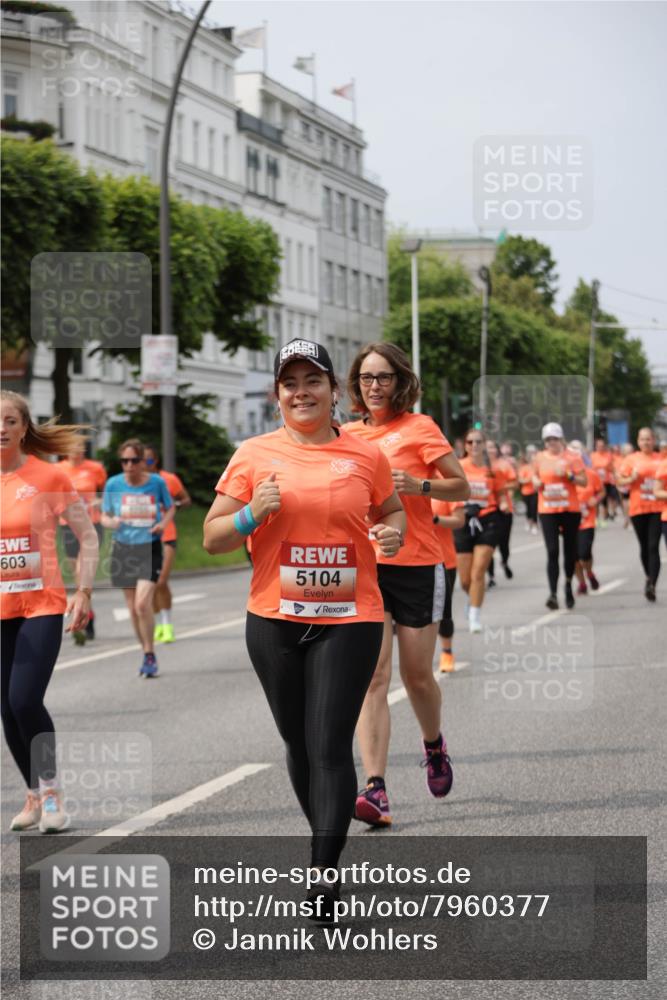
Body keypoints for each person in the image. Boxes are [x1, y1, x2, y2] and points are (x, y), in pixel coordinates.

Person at [204, 338, 406, 913]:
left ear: (333, 392)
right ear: (276, 396)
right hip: (273, 619)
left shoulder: (365, 456)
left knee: (328, 743)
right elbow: (213, 537)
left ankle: (323, 868)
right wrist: (251, 512)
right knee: (297, 741)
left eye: (312, 380)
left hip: (351, 617)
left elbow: (389, 509)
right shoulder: (252, 455)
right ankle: (326, 828)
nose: (302, 392)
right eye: (290, 383)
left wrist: (390, 532)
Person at [342, 342, 469, 828]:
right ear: (356, 385)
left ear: (401, 382)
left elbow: (462, 486)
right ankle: (376, 789)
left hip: (418, 564)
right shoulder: (346, 435)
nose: (375, 386)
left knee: (416, 676)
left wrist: (420, 487)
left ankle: (434, 745)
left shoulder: (421, 428)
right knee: (373, 677)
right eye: (367, 378)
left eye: (384, 377)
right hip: (366, 567)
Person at [1, 391, 99, 833]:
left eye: (9, 420)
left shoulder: (49, 476)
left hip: (42, 603)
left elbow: (87, 535)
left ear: (24, 428)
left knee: (24, 699)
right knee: (6, 707)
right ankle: (33, 795)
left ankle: (53, 792)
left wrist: (83, 591)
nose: (0, 428)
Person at [101, 439, 174, 676]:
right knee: (133, 609)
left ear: (143, 461)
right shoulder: (113, 484)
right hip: (123, 548)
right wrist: (111, 522)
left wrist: (162, 524)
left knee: (143, 604)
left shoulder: (156, 483)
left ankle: (151, 652)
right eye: (124, 461)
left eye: (134, 460)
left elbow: (170, 507)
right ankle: (145, 652)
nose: (129, 465)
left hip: (149, 548)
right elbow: (104, 515)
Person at [454, 430, 509, 632]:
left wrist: (503, 504)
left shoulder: (493, 469)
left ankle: (475, 616)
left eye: (478, 442)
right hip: (464, 520)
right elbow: (449, 489)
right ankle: (472, 600)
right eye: (470, 442)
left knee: (478, 572)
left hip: (488, 519)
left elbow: (501, 494)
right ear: (465, 445)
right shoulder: (458, 467)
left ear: (484, 445)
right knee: (465, 579)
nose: (474, 445)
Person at [533, 422, 587, 610]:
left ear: (561, 439)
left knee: (570, 551)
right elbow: (533, 477)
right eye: (548, 440)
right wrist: (536, 482)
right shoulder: (539, 458)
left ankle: (568, 585)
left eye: (554, 439)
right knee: (553, 551)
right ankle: (553, 594)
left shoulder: (572, 457)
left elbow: (584, 481)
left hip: (570, 510)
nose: (551, 443)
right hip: (547, 510)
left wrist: (569, 475)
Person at [57, 436, 107, 640]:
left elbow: (106, 493)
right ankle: (88, 609)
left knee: (80, 570)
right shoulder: (58, 469)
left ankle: (85, 609)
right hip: (67, 525)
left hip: (91, 524)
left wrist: (98, 501)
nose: (78, 451)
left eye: (81, 448)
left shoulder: (95, 468)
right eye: (73, 447)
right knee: (75, 570)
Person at [143, 445, 191, 644]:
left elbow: (186, 500)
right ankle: (158, 625)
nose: (145, 465)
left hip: (167, 534)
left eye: (148, 461)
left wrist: (173, 505)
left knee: (161, 581)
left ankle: (167, 623)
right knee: (151, 584)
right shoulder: (136, 483)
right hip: (144, 536)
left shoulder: (168, 479)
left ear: (156, 461)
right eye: (141, 461)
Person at [616, 427, 662, 602]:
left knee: (653, 546)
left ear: (654, 441)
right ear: (638, 441)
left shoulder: (661, 459)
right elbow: (619, 481)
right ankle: (648, 576)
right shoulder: (631, 460)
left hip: (657, 508)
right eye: (643, 439)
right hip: (638, 508)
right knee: (644, 547)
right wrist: (630, 479)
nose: (646, 442)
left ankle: (652, 584)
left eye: (649, 439)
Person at [432, 499, 465, 672]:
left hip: (443, 560)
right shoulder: (399, 484)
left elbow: (459, 520)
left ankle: (447, 652)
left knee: (443, 611)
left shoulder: (443, 484)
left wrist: (436, 519)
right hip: (409, 560)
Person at [569, 441, 604, 594]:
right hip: (568, 520)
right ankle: (582, 584)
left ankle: (589, 573)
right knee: (573, 556)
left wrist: (594, 500)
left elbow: (601, 492)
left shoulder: (591, 474)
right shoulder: (563, 475)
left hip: (587, 521)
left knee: (584, 553)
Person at [486, 439, 517, 583]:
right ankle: (491, 576)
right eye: (486, 448)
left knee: (504, 543)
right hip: (487, 509)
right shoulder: (480, 466)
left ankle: (504, 561)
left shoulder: (504, 465)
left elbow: (514, 483)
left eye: (492, 447)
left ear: (497, 449)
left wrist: (501, 490)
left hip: (504, 508)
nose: (489, 450)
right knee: (488, 544)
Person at [590, 438, 616, 524]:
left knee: (605, 501)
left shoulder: (608, 455)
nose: (600, 447)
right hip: (595, 481)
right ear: (596, 446)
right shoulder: (592, 455)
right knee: (596, 500)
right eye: (598, 446)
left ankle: (604, 519)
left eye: (602, 446)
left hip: (606, 481)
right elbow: (590, 468)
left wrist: (608, 468)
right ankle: (596, 518)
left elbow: (612, 468)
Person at [518, 445, 539, 534]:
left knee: (534, 508)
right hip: (525, 492)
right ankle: (528, 521)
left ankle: (534, 524)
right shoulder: (523, 467)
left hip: (535, 492)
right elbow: (521, 480)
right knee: (528, 509)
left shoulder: (537, 467)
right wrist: (529, 479)